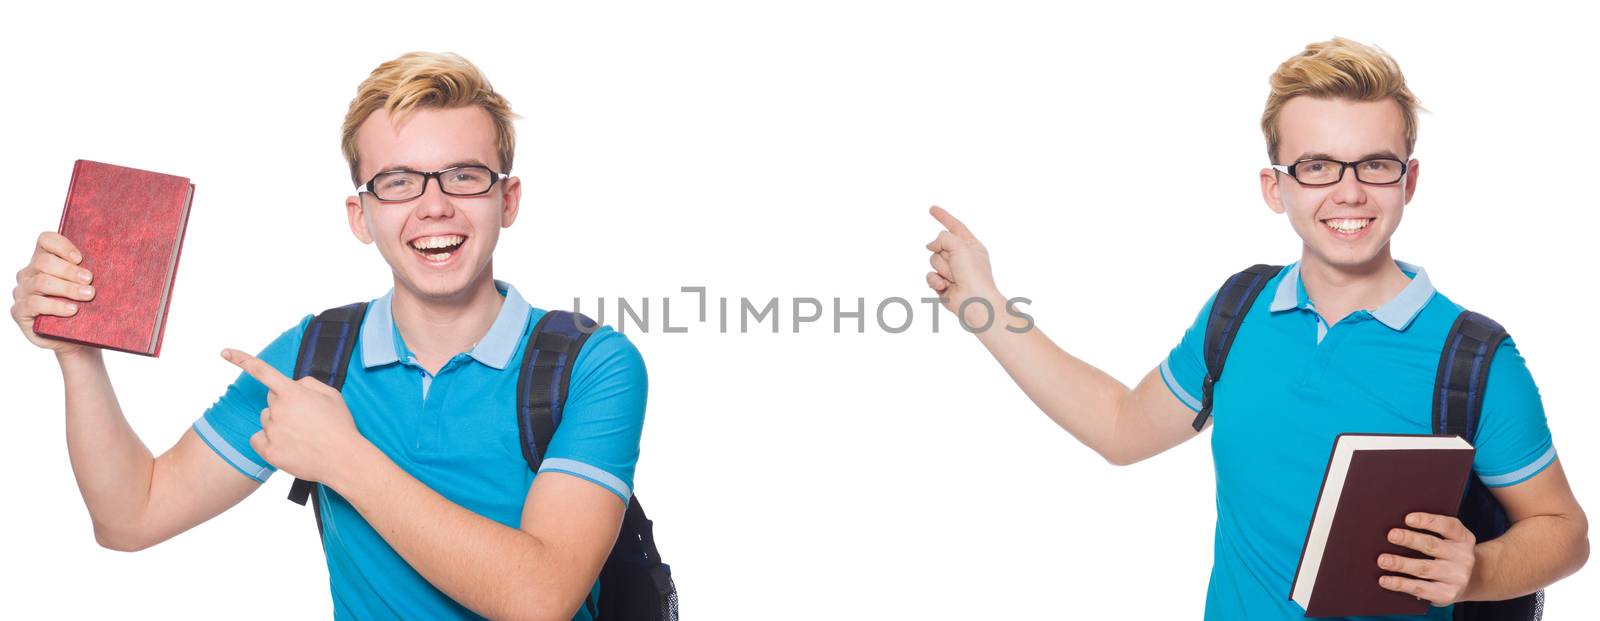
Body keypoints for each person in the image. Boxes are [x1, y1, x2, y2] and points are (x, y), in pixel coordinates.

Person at [922, 37, 1587, 619]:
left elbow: (1564, 529)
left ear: (1408, 180)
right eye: (1318, 166)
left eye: (1375, 165)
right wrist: (984, 304)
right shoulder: (1237, 310)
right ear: (1277, 187)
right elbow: (1121, 426)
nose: (1348, 192)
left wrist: (1481, 572)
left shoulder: (1473, 358)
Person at [11, 51, 647, 621]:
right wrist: (78, 356)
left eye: (464, 175)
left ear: (507, 201)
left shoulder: (593, 365)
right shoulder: (317, 355)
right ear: (361, 216)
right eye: (398, 182)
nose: (433, 206)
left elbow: (538, 600)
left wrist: (343, 458)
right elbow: (132, 517)